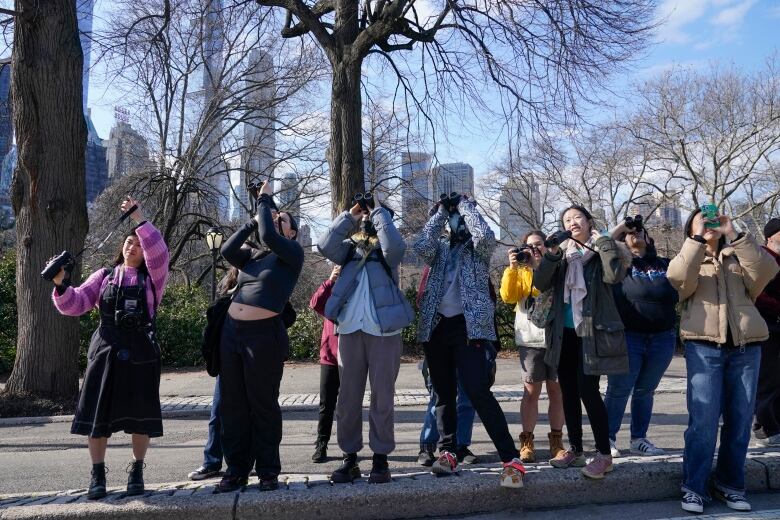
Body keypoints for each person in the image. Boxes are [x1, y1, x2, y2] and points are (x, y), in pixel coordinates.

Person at [50, 197, 169, 500]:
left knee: (140, 416)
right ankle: (97, 474)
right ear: (122, 248)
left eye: (138, 244)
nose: (133, 247)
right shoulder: (103, 276)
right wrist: (61, 286)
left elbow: (159, 251)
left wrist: (139, 217)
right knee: (97, 416)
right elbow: (75, 304)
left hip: (141, 350)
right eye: (129, 242)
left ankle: (137, 470)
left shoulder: (153, 280)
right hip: (105, 350)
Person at [668, 208, 778, 514]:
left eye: (714, 220)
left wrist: (735, 233)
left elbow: (766, 270)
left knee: (741, 421)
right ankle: (694, 486)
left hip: (746, 347)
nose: (710, 224)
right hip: (704, 347)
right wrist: (697, 239)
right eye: (703, 220)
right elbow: (678, 280)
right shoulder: (689, 258)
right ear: (691, 228)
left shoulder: (737, 255)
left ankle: (730, 484)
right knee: (703, 422)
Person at [413, 193, 526, 488]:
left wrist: (465, 205)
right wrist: (440, 212)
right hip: (436, 327)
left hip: (469, 327)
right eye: (454, 220)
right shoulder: (437, 250)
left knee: (477, 391)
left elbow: (485, 235)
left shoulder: (476, 250)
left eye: (458, 220)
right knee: (443, 394)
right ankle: (448, 451)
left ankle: (510, 459)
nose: (456, 223)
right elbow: (420, 244)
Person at [317, 194, 413, 484]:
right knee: (347, 399)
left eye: (375, 217)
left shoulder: (387, 251)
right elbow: (324, 244)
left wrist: (379, 212)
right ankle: (350, 458)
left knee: (382, 397)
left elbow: (395, 246)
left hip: (384, 331)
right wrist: (352, 214)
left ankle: (381, 459)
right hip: (349, 329)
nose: (369, 219)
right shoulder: (349, 249)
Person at [217, 181, 304, 493]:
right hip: (231, 334)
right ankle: (235, 470)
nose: (276, 220)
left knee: (262, 404)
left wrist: (265, 200)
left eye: (284, 220)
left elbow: (269, 233)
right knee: (232, 405)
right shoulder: (253, 256)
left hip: (264, 337)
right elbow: (227, 250)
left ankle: (267, 470)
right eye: (274, 216)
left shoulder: (292, 254)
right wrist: (251, 221)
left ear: (293, 233)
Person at [533, 205, 629, 480]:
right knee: (568, 392)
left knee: (589, 391)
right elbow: (540, 283)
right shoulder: (563, 255)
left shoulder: (600, 251)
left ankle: (604, 454)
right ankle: (575, 449)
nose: (572, 222)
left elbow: (614, 275)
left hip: (590, 330)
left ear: (588, 222)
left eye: (577, 218)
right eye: (566, 219)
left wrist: (604, 242)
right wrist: (551, 255)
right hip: (562, 333)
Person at [603, 220, 678, 457]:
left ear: (649, 238)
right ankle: (607, 439)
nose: (634, 234)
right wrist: (621, 228)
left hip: (662, 338)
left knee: (645, 390)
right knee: (619, 389)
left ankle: (639, 439)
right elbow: (601, 245)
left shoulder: (666, 264)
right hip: (629, 336)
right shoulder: (618, 266)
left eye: (639, 231)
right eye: (628, 234)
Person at [499, 231, 566, 463]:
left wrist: (541, 264)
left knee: (557, 391)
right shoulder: (521, 269)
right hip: (530, 339)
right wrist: (513, 267)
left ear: (547, 246)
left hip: (556, 337)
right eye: (529, 246)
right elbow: (508, 297)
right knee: (531, 392)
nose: (534, 249)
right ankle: (526, 442)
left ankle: (556, 441)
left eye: (538, 244)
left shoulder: (558, 265)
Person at [416, 266, 479, 466]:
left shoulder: (474, 262)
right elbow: (421, 299)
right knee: (439, 396)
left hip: (468, 338)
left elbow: (489, 296)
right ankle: (427, 446)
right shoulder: (435, 262)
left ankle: (460, 445)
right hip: (439, 337)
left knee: (467, 397)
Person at [188, 268, 239, 481]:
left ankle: (245, 462)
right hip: (227, 360)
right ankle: (212, 462)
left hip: (256, 359)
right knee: (218, 414)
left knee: (253, 413)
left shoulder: (266, 283)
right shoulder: (227, 290)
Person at [310, 265, 342, 463]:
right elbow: (315, 303)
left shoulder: (357, 290)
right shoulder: (331, 291)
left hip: (352, 356)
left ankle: (349, 447)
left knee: (349, 406)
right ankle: (321, 443)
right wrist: (330, 280)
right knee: (326, 405)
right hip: (330, 356)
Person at [754, 218, 780, 447]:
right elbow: (757, 292)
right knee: (767, 381)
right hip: (766, 325)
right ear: (771, 236)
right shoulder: (762, 257)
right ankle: (764, 428)